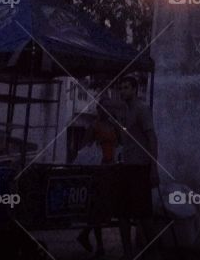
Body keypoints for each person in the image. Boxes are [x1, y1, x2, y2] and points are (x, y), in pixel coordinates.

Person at [112, 75, 159, 260]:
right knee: (122, 214)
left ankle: (154, 252)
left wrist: (153, 168)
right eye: (121, 88)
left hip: (140, 167)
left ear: (134, 89)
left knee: (144, 215)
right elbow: (125, 139)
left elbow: (152, 139)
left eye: (126, 88)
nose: (123, 91)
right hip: (127, 166)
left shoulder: (142, 109)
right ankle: (128, 253)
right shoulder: (125, 111)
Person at [76, 104, 120, 257]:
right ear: (99, 109)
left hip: (110, 169)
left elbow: (118, 144)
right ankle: (99, 245)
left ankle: (85, 234)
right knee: (97, 208)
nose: (106, 110)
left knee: (104, 208)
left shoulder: (113, 126)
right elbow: (84, 148)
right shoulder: (94, 126)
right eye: (102, 107)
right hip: (98, 171)